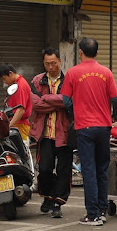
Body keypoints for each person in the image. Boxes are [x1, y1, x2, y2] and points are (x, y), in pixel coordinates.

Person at [61, 37, 117, 226]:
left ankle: (93, 214)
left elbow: (65, 100)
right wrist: (115, 115)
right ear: (96, 53)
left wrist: (74, 115)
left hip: (84, 128)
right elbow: (116, 100)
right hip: (104, 127)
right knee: (102, 169)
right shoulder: (106, 72)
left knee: (89, 171)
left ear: (80, 52)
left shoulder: (72, 73)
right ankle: (102, 209)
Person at [30, 48, 72, 219]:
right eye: (47, 63)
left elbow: (70, 102)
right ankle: (48, 196)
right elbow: (36, 104)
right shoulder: (37, 81)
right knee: (45, 169)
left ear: (60, 62)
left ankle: (57, 203)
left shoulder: (69, 80)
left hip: (64, 133)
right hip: (44, 133)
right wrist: (58, 101)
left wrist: (46, 98)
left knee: (63, 170)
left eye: (53, 63)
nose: (51, 67)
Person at [0, 64, 33, 149]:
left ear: (11, 73)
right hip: (17, 124)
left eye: (4, 79)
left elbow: (20, 110)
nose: (4, 82)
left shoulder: (20, 86)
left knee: (20, 154)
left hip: (20, 126)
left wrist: (8, 127)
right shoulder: (16, 84)